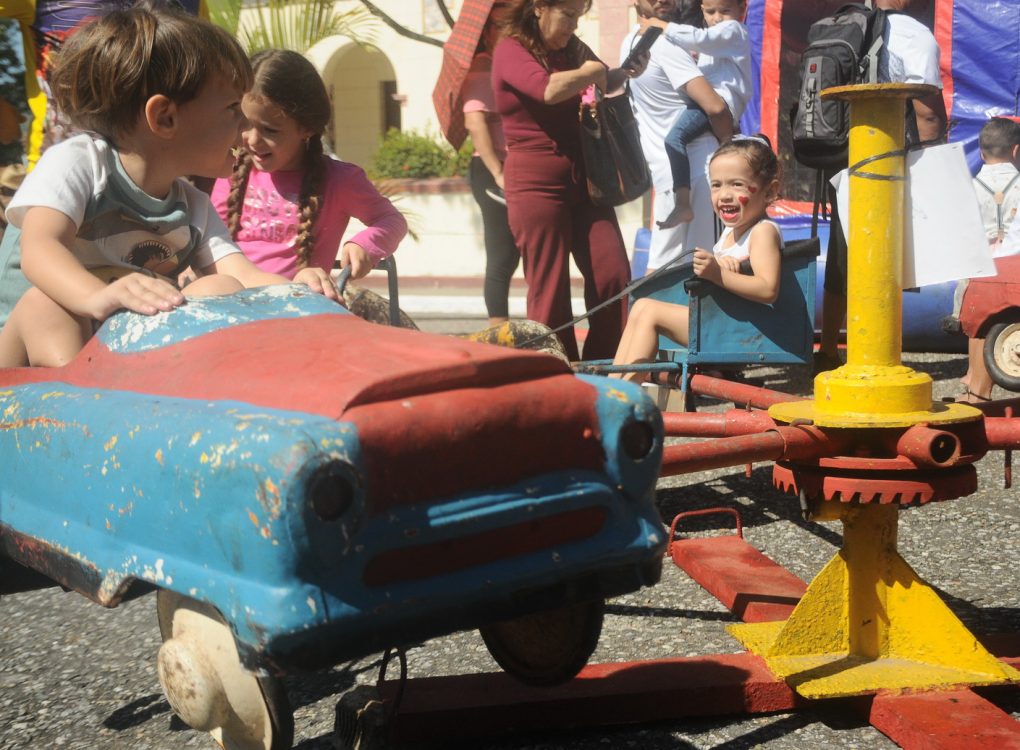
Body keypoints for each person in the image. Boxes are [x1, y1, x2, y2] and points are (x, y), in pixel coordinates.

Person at [0, 5, 339, 369]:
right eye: (231, 109)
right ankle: (71, 411)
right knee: (48, 305)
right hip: (28, 349)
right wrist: (98, 296)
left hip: (115, 348)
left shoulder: (192, 205)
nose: (245, 127)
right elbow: (40, 250)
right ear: (165, 118)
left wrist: (298, 290)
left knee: (218, 290)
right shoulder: (79, 163)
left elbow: (241, 274)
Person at [491, 0, 647, 362]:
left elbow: (601, 78)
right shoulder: (510, 49)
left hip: (586, 180)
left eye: (579, 17)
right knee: (549, 287)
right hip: (535, 184)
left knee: (614, 276)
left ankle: (605, 366)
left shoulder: (571, 48)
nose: (574, 26)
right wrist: (593, 72)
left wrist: (624, 73)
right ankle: (554, 372)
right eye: (569, 16)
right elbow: (547, 89)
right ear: (540, 8)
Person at [815, 0, 947, 374]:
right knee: (890, 248)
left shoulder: (839, 24)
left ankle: (827, 348)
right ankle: (883, 351)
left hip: (843, 150)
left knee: (843, 252)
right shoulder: (913, 33)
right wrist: (931, 159)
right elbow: (928, 109)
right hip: (888, 156)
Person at [212, 49, 406, 285]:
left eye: (270, 130)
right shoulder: (233, 173)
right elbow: (212, 241)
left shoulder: (339, 180)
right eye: (245, 124)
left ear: (306, 127)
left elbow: (391, 220)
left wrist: (364, 244)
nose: (252, 140)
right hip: (234, 306)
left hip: (299, 309)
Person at [611, 135, 781, 379]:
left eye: (737, 184)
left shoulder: (762, 232)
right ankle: (613, 386)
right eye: (716, 184)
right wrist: (719, 269)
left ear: (769, 191)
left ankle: (621, 394)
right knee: (641, 307)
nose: (724, 194)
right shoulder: (730, 234)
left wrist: (718, 274)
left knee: (648, 311)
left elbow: (768, 289)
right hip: (724, 322)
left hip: (741, 331)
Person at [623, 0, 733, 274]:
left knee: (662, 269)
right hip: (699, 171)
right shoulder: (664, 45)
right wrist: (730, 148)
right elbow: (716, 107)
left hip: (668, 174)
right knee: (705, 267)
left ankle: (648, 316)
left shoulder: (629, 43)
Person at [638, 0, 750, 229]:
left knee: (674, 138)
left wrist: (664, 26)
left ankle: (682, 203)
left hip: (722, 101)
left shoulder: (733, 30)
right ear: (702, 11)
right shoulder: (717, 37)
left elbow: (702, 40)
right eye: (710, 12)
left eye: (725, 11)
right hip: (717, 101)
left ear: (742, 10)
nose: (717, 17)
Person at [459, 2, 521, 328]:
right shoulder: (482, 65)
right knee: (501, 256)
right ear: (487, 30)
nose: (509, 29)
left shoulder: (511, 62)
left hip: (515, 168)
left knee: (517, 255)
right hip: (492, 170)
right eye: (501, 24)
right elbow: (475, 122)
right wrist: (499, 172)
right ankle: (498, 331)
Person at [955, 117, 1020, 402]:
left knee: (975, 325)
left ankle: (974, 383)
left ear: (981, 153)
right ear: (1016, 151)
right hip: (1015, 269)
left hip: (980, 271)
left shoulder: (968, 187)